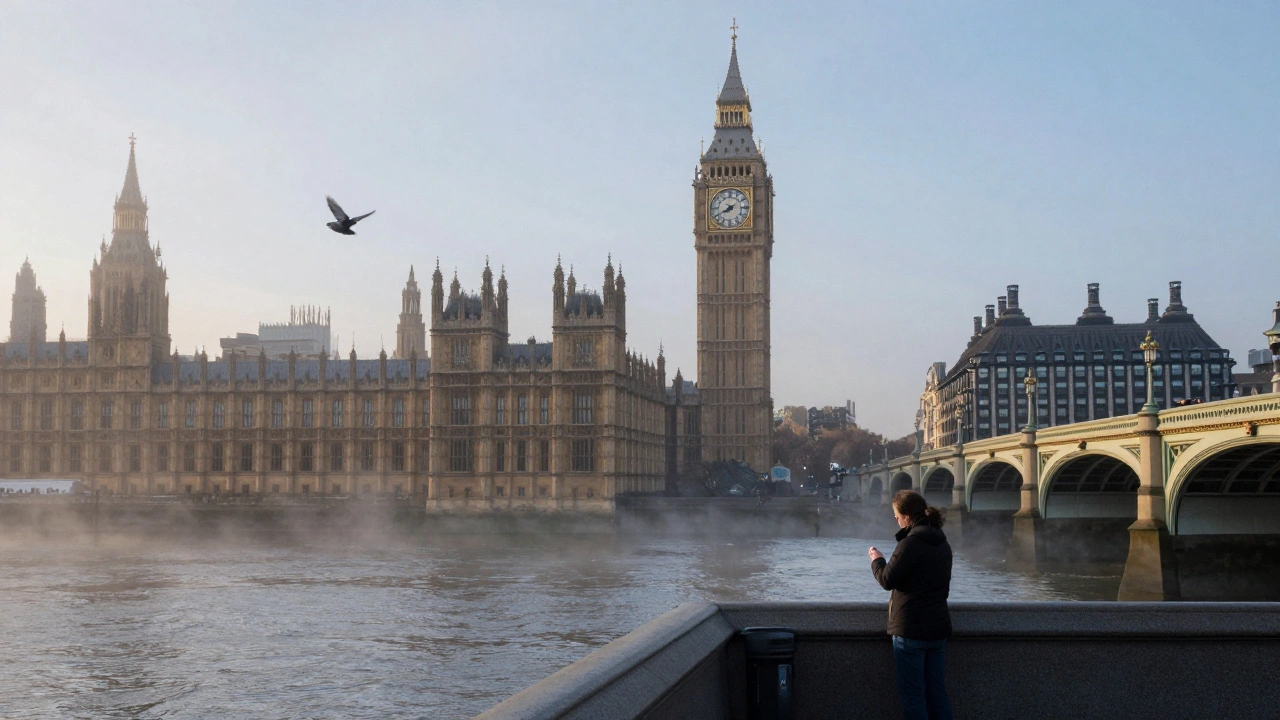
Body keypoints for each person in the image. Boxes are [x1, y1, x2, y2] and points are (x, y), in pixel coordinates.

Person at [867, 489, 953, 720]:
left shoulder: (911, 543)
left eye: (896, 515)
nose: (895, 519)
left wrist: (877, 560)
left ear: (906, 516)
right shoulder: (941, 541)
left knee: (913, 696)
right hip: (938, 628)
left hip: (910, 630)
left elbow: (887, 579)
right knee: (937, 694)